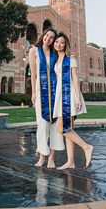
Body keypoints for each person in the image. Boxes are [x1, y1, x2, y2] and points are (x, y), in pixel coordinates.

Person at [53, 32, 94, 169]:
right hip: (60, 95)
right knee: (67, 129)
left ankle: (86, 147)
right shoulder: (56, 59)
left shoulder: (70, 58)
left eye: (62, 42)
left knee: (61, 127)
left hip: (69, 95)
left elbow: (75, 78)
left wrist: (77, 97)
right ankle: (70, 162)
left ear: (66, 45)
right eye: (57, 42)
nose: (59, 44)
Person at [29, 28, 65, 168]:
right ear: (43, 35)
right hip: (40, 91)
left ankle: (51, 158)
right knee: (42, 124)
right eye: (47, 36)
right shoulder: (34, 51)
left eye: (51, 38)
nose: (48, 39)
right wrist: (33, 93)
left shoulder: (55, 53)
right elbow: (33, 74)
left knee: (55, 125)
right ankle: (42, 157)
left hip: (55, 92)